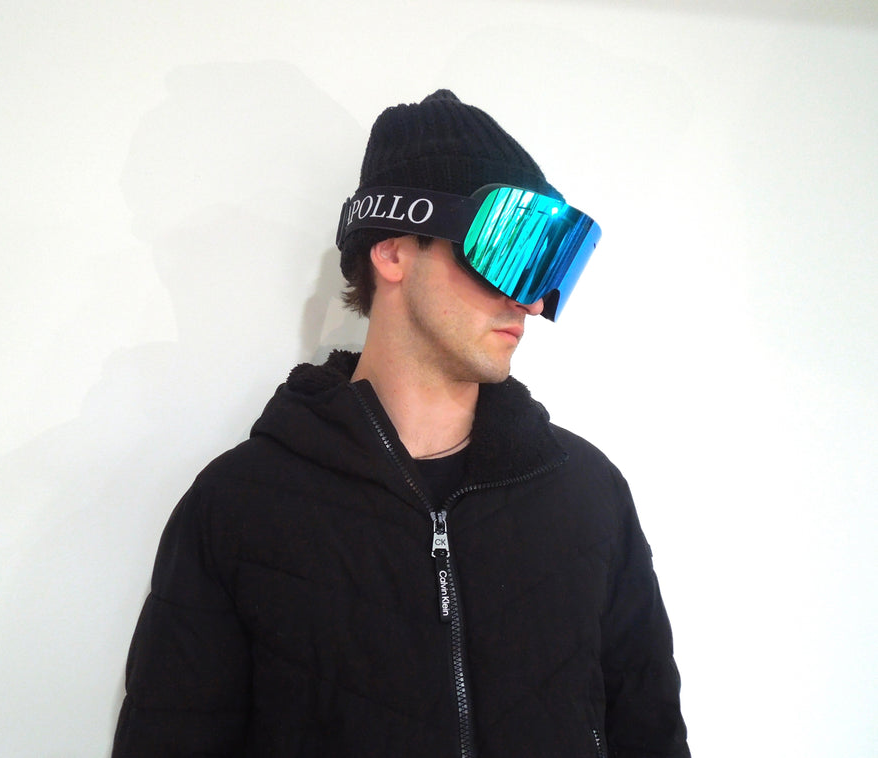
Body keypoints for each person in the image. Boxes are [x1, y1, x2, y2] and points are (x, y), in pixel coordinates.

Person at [113, 89, 690, 757]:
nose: (531, 301)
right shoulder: (238, 509)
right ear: (391, 251)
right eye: (510, 251)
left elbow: (651, 736)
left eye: (548, 264)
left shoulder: (589, 496)